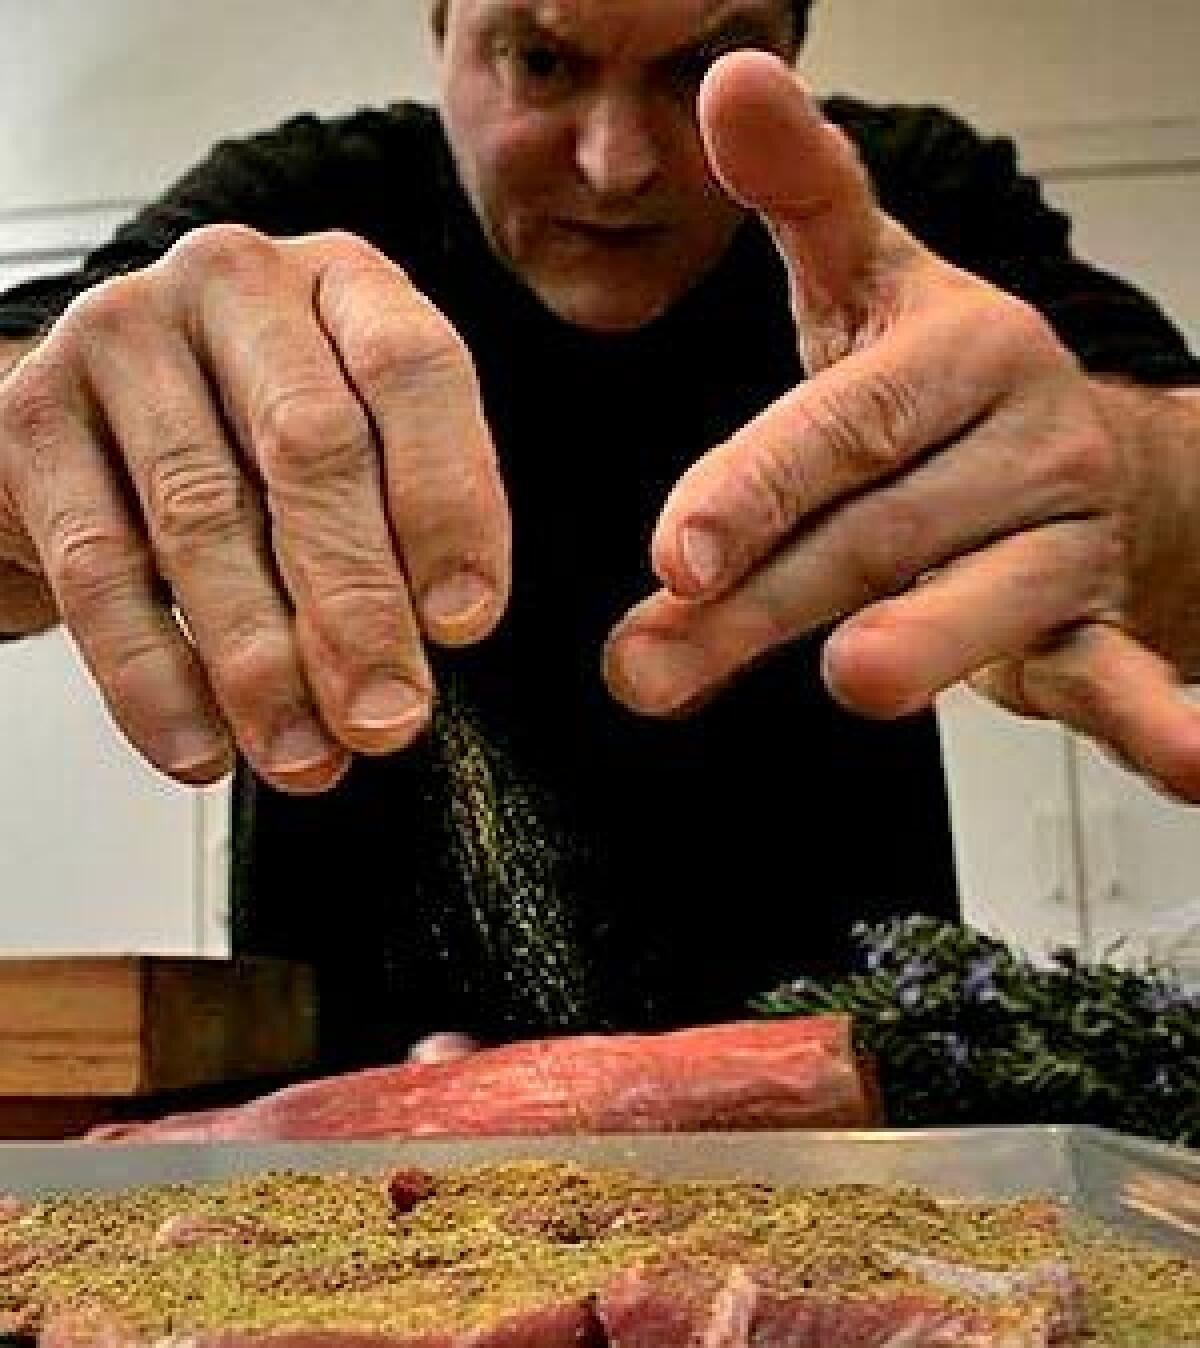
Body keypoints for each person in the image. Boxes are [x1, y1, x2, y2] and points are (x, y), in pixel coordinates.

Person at [1, 0, 1199, 1070]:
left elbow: (1168, 446)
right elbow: (31, 393)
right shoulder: (301, 201)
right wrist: (65, 453)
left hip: (838, 1075)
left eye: (707, 63)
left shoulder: (907, 197)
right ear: (442, 29)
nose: (616, 163)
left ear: (792, 49)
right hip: (357, 1097)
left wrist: (1127, 486)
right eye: (541, 58)